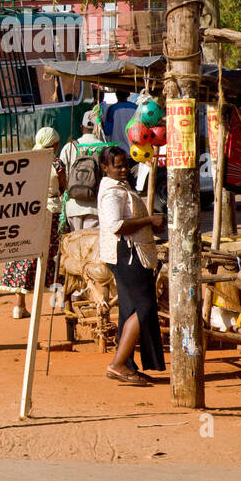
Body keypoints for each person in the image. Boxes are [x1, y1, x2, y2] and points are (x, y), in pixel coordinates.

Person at [98, 146, 165, 384]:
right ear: (105, 167)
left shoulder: (121, 186)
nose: (124, 169)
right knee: (144, 307)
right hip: (127, 254)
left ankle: (125, 364)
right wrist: (149, 220)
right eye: (118, 166)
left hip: (130, 252)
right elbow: (116, 225)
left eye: (125, 164)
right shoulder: (111, 192)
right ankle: (117, 364)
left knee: (129, 310)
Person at [0, 127, 66, 318]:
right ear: (54, 144)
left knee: (23, 256)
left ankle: (19, 306)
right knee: (56, 256)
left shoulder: (26, 161)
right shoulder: (56, 163)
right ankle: (59, 303)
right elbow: (63, 187)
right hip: (51, 213)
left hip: (27, 212)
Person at [58, 109, 109, 231]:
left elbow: (61, 175)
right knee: (91, 246)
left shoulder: (69, 147)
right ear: (98, 127)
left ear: (81, 127)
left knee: (76, 245)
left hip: (73, 207)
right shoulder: (105, 148)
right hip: (95, 207)